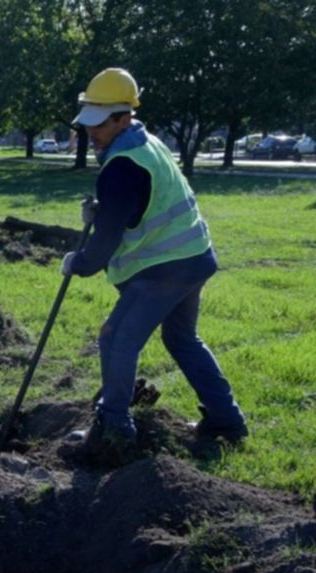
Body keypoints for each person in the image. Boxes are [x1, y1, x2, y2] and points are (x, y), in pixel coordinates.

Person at [62, 67, 247, 459]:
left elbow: (105, 244)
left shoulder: (123, 165)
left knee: (115, 337)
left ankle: (114, 428)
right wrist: (109, 209)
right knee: (180, 338)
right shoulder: (146, 143)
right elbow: (139, 206)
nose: (90, 132)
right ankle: (227, 421)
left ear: (123, 117)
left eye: (99, 124)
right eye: (88, 123)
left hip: (166, 269)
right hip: (194, 257)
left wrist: (78, 263)